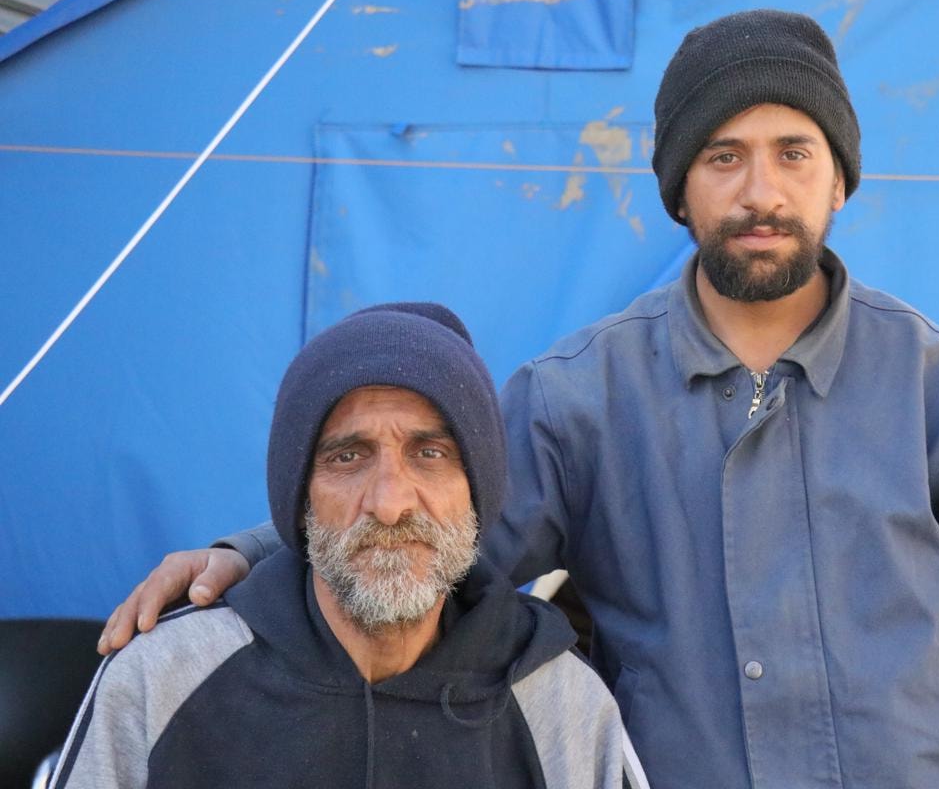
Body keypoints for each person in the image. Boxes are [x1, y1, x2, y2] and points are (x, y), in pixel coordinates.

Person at [98, 10, 939, 789]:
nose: (761, 192)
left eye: (794, 153)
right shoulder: (576, 396)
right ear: (679, 190)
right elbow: (429, 532)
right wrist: (254, 551)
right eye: (724, 157)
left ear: (839, 180)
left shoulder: (935, 385)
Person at [55, 303, 646, 789]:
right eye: (347, 457)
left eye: (429, 454)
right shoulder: (164, 680)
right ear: (299, 499)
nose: (389, 504)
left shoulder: (559, 701)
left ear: (477, 492)